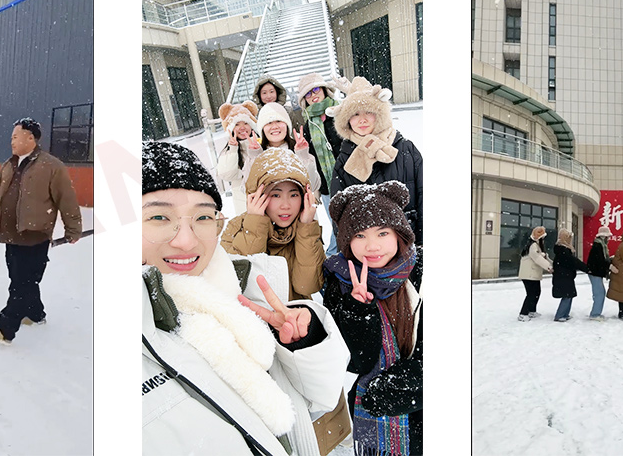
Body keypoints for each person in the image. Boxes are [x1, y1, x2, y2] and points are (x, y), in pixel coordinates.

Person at [140, 140, 349, 456]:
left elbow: (308, 281)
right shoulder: (237, 231)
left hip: (293, 350)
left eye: (202, 217)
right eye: (159, 218)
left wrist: (307, 228)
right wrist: (255, 222)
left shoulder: (304, 233)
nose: (185, 240)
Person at [0, 118, 83, 344]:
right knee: (21, 279)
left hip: (35, 236)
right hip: (10, 234)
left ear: (31, 138)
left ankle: (5, 328)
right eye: (12, 137)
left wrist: (73, 229)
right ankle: (36, 314)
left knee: (21, 284)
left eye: (16, 136)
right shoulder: (9, 165)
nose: (12, 141)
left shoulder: (51, 166)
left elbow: (67, 200)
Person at [322, 181, 422, 456]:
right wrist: (358, 307)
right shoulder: (338, 283)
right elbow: (356, 362)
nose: (372, 246)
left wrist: (411, 384)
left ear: (399, 234)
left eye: (382, 232)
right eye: (360, 236)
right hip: (370, 410)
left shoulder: (421, 273)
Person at [327, 77, 424, 288]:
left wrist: (423, 242)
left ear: (379, 115)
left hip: (410, 248)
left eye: (368, 112)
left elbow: (424, 195)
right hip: (368, 258)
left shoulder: (405, 150)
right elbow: (340, 213)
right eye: (354, 114)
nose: (362, 120)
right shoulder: (344, 160)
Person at [219, 147, 324, 302]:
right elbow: (241, 284)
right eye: (276, 194)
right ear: (256, 195)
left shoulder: (305, 228)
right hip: (256, 321)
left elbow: (307, 286)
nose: (286, 205)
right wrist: (255, 226)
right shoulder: (236, 228)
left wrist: (306, 228)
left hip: (297, 319)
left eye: (294, 194)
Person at [295, 73, 346, 258]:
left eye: (316, 89)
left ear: (324, 90)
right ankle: (334, 258)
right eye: (307, 94)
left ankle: (334, 255)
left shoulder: (341, 112)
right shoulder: (308, 126)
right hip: (327, 186)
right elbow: (311, 158)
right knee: (337, 223)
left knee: (350, 221)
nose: (313, 95)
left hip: (349, 178)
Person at [257, 102, 322, 192]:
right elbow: (248, 189)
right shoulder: (257, 154)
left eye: (279, 121)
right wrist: (253, 157)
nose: (275, 126)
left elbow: (313, 186)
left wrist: (303, 156)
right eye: (269, 123)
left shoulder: (298, 149)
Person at [214, 101, 263, 216]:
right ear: (230, 128)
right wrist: (233, 149)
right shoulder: (228, 151)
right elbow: (227, 174)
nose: (242, 127)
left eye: (246, 123)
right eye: (236, 124)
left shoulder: (262, 144)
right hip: (244, 206)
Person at [550, 229, 590, 322]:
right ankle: (559, 315)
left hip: (565, 276)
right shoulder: (563, 250)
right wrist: (587, 268)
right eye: (569, 237)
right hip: (563, 277)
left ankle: (565, 314)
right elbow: (574, 262)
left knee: (569, 295)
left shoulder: (563, 249)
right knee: (567, 295)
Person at [517, 226, 552, 321]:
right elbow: (537, 258)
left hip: (533, 274)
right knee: (531, 294)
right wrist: (549, 267)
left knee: (536, 292)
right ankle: (523, 314)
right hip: (529, 274)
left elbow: (544, 257)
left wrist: (552, 265)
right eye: (542, 237)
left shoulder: (537, 245)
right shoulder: (533, 246)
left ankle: (531, 311)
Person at [585, 226, 614, 320]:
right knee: (599, 293)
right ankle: (594, 314)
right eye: (607, 237)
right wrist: (609, 266)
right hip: (595, 273)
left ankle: (596, 312)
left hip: (595, 272)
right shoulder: (598, 246)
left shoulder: (599, 245)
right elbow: (600, 261)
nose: (608, 239)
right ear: (604, 237)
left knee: (599, 293)